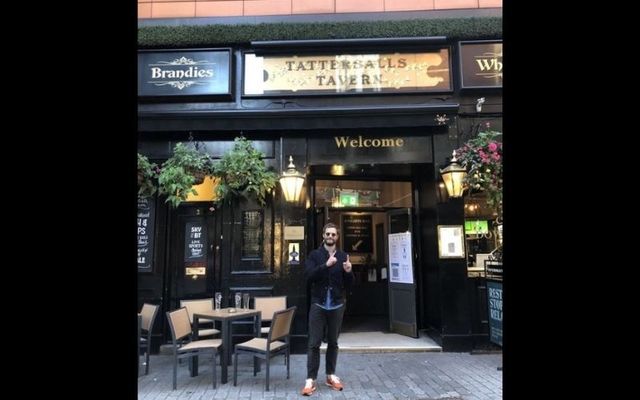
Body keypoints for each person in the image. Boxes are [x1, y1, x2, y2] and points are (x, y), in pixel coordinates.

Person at [302, 222, 353, 396]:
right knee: (314, 343)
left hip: (337, 305)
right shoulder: (315, 255)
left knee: (333, 342)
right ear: (323, 235)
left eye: (333, 234)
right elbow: (308, 276)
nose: (330, 237)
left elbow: (350, 285)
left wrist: (348, 271)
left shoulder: (343, 255)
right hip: (318, 304)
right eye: (328, 234)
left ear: (337, 237)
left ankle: (330, 375)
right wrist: (326, 265)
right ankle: (310, 379)